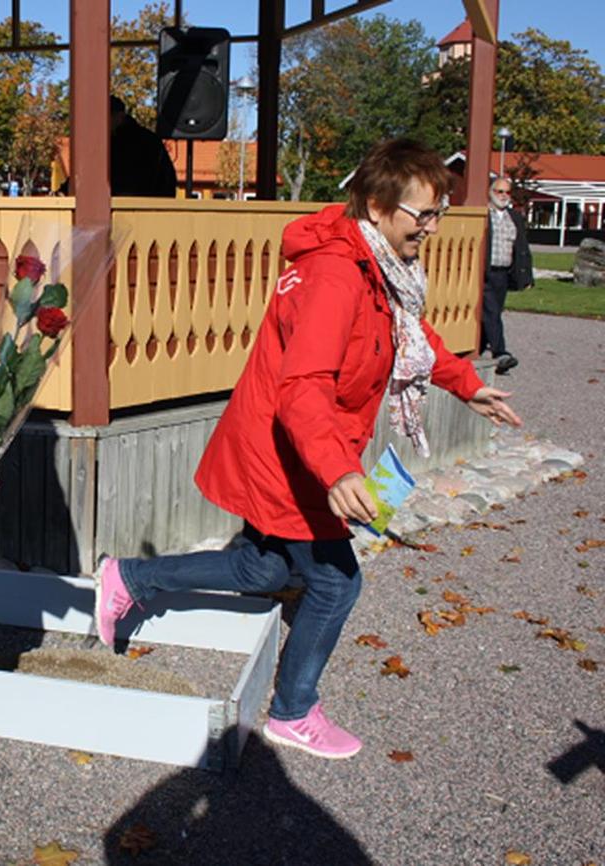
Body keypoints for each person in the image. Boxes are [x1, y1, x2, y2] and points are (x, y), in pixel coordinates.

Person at [93, 139, 522, 760]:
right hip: (291, 455)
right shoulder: (335, 274)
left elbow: (408, 331)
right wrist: (337, 468)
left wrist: (468, 384)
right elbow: (303, 388)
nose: (431, 228)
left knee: (262, 569)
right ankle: (294, 711)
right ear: (377, 207)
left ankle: (128, 577)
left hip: (294, 450)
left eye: (438, 215)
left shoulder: (370, 264)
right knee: (336, 584)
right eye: (422, 215)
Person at [482, 177, 533, 375]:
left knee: (493, 312)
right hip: (487, 271)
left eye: (507, 192)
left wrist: (525, 275)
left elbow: (521, 247)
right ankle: (500, 352)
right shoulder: (485, 215)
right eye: (499, 191)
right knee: (491, 311)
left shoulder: (513, 217)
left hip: (503, 273)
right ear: (490, 192)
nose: (503, 196)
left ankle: (478, 349)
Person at [110, 95, 178, 197]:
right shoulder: (151, 140)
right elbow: (168, 181)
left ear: (119, 116)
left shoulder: (140, 142)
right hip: (149, 207)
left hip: (129, 204)